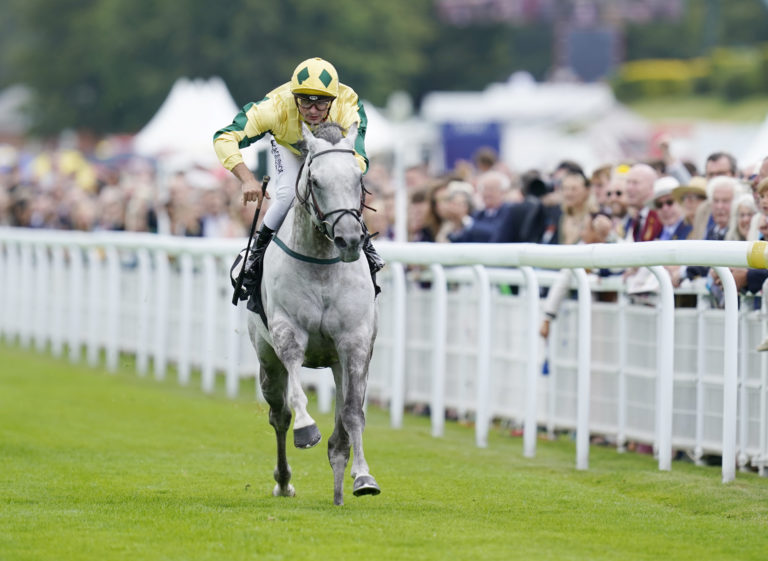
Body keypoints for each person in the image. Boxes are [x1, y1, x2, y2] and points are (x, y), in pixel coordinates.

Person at [213, 57, 384, 302]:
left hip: (332, 151)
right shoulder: (274, 107)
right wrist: (247, 179)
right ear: (294, 97)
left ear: (333, 100)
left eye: (321, 103)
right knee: (288, 195)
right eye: (305, 102)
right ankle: (254, 256)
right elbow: (224, 137)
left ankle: (367, 249)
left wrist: (334, 174)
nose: (313, 111)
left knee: (340, 188)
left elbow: (359, 159)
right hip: (289, 149)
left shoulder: (348, 103)